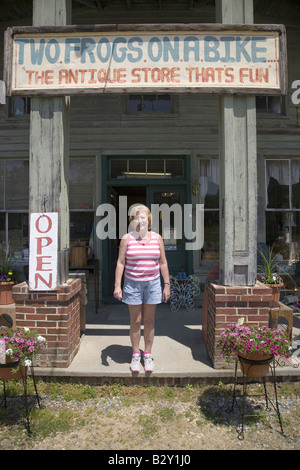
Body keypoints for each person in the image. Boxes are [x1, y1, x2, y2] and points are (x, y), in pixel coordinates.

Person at [113, 204, 170, 373]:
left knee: (149, 321)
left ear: (148, 220)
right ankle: (136, 354)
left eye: (143, 217)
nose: (140, 220)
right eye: (136, 217)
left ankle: (148, 354)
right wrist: (117, 285)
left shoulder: (157, 238)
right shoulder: (126, 238)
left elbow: (163, 263)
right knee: (136, 321)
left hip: (152, 284)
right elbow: (120, 263)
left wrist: (166, 284)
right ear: (132, 221)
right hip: (132, 284)